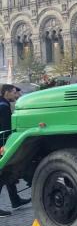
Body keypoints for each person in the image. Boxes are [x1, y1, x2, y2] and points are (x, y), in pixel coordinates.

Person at [0, 84, 30, 216]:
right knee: (2, 175)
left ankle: (15, 200)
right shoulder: (4, 107)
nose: (15, 95)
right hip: (2, 143)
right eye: (13, 92)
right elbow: (7, 128)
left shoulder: (2, 104)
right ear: (6, 92)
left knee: (7, 173)